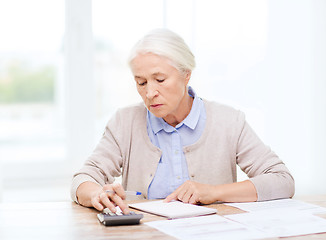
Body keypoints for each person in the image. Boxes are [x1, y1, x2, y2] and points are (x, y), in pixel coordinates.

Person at [71, 28, 294, 214]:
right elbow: (83, 178)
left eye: (160, 79)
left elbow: (282, 181)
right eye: (141, 82)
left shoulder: (229, 121)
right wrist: (97, 194)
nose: (150, 93)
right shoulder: (125, 122)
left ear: (186, 74)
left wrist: (213, 192)